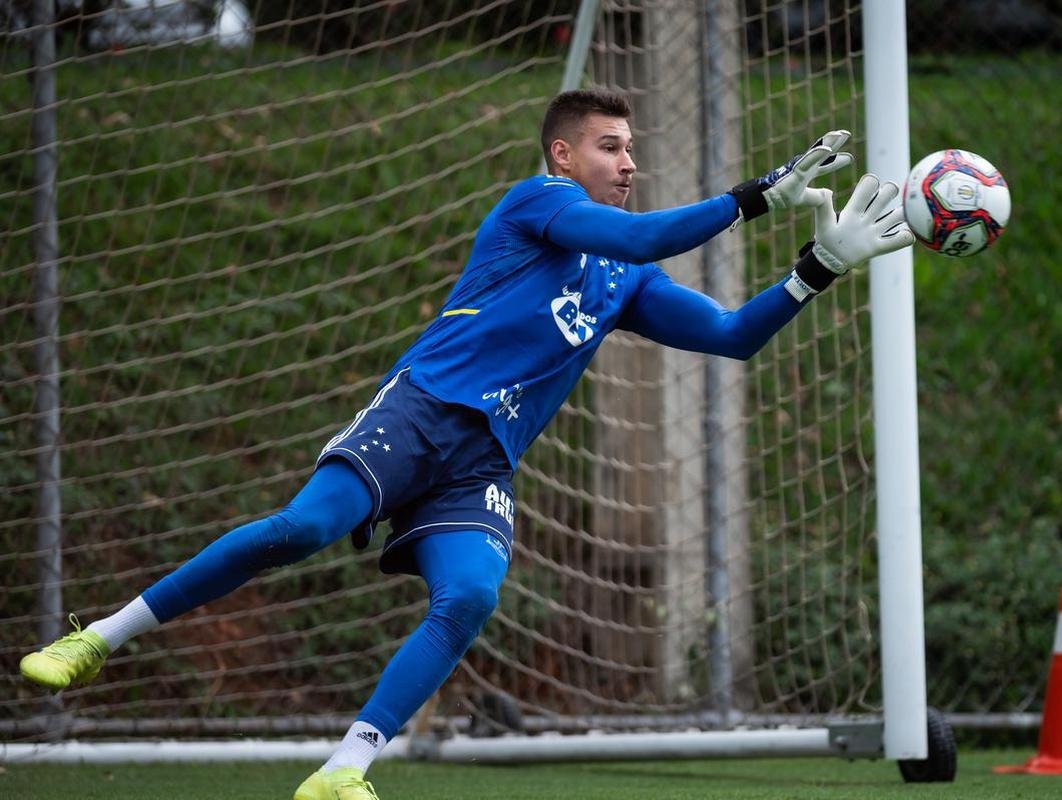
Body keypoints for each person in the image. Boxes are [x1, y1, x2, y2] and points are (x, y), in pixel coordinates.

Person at [19, 88, 914, 799]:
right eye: (610, 145)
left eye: (632, 146)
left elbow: (729, 335)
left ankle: (344, 769)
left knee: (471, 595)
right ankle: (102, 635)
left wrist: (817, 268)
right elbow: (644, 232)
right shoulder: (539, 204)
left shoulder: (623, 283)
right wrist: (754, 195)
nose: (628, 160)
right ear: (563, 155)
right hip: (420, 412)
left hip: (481, 461)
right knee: (299, 531)